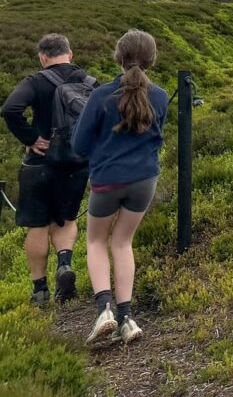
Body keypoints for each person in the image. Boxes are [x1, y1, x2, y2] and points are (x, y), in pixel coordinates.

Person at [72, 30, 169, 346]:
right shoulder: (161, 96)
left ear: (119, 56)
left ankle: (105, 310)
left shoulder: (101, 97)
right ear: (151, 60)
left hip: (107, 180)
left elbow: (79, 144)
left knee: (96, 241)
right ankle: (127, 318)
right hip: (144, 181)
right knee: (123, 242)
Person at [1, 33, 93, 306]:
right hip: (75, 162)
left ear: (42, 57)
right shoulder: (88, 82)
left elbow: (10, 109)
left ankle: (39, 289)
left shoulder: (35, 81)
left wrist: (31, 138)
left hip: (39, 164)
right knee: (66, 219)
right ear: (70, 53)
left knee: (37, 225)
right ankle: (64, 263)